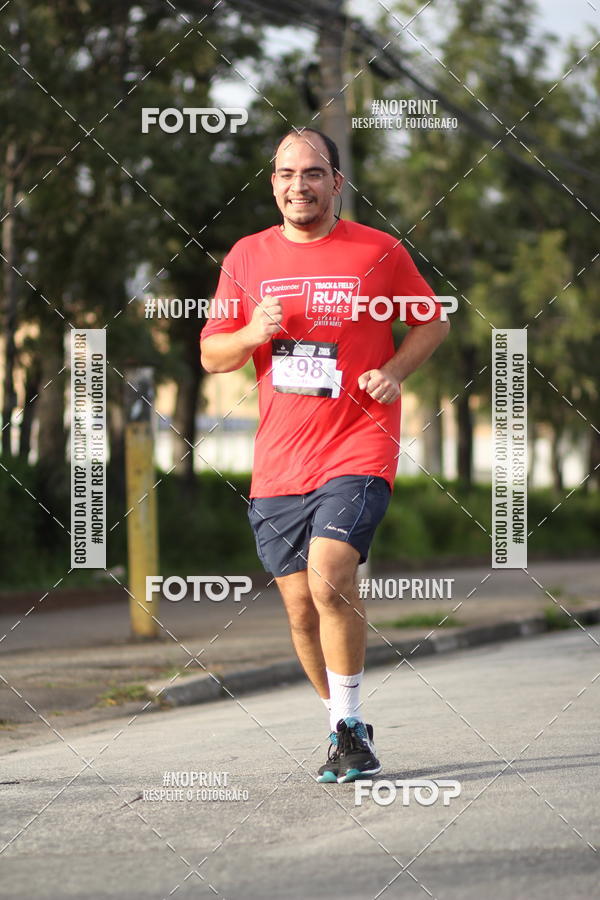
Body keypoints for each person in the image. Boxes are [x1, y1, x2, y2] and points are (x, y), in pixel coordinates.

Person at [201, 128, 450, 783]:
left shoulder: (377, 250)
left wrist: (396, 371)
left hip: (359, 443)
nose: (298, 185)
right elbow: (212, 354)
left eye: (313, 173)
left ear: (335, 182)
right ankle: (343, 727)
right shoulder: (247, 257)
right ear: (274, 183)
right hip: (280, 460)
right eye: (287, 173)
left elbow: (432, 319)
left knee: (330, 575)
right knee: (299, 611)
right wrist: (253, 330)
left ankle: (348, 726)